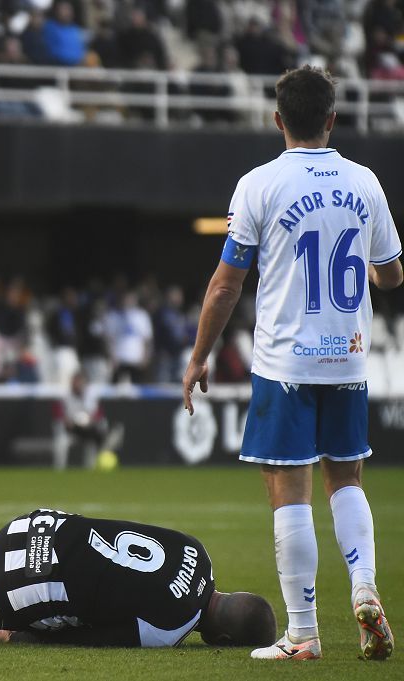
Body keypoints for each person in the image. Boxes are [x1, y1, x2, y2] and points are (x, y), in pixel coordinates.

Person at [182, 66, 401, 661]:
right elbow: (391, 273)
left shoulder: (258, 185)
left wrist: (200, 356)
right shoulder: (366, 183)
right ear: (332, 118)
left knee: (289, 491)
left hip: (286, 363)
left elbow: (226, 286)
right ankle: (364, 587)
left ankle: (303, 634)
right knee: (347, 480)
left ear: (278, 119)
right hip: (349, 362)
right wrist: (381, 270)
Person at [0, 508, 276, 648]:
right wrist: (21, 640)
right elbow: (94, 639)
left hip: (32, 527)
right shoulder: (171, 629)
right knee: (39, 611)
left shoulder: (196, 549)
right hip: (33, 584)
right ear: (222, 641)